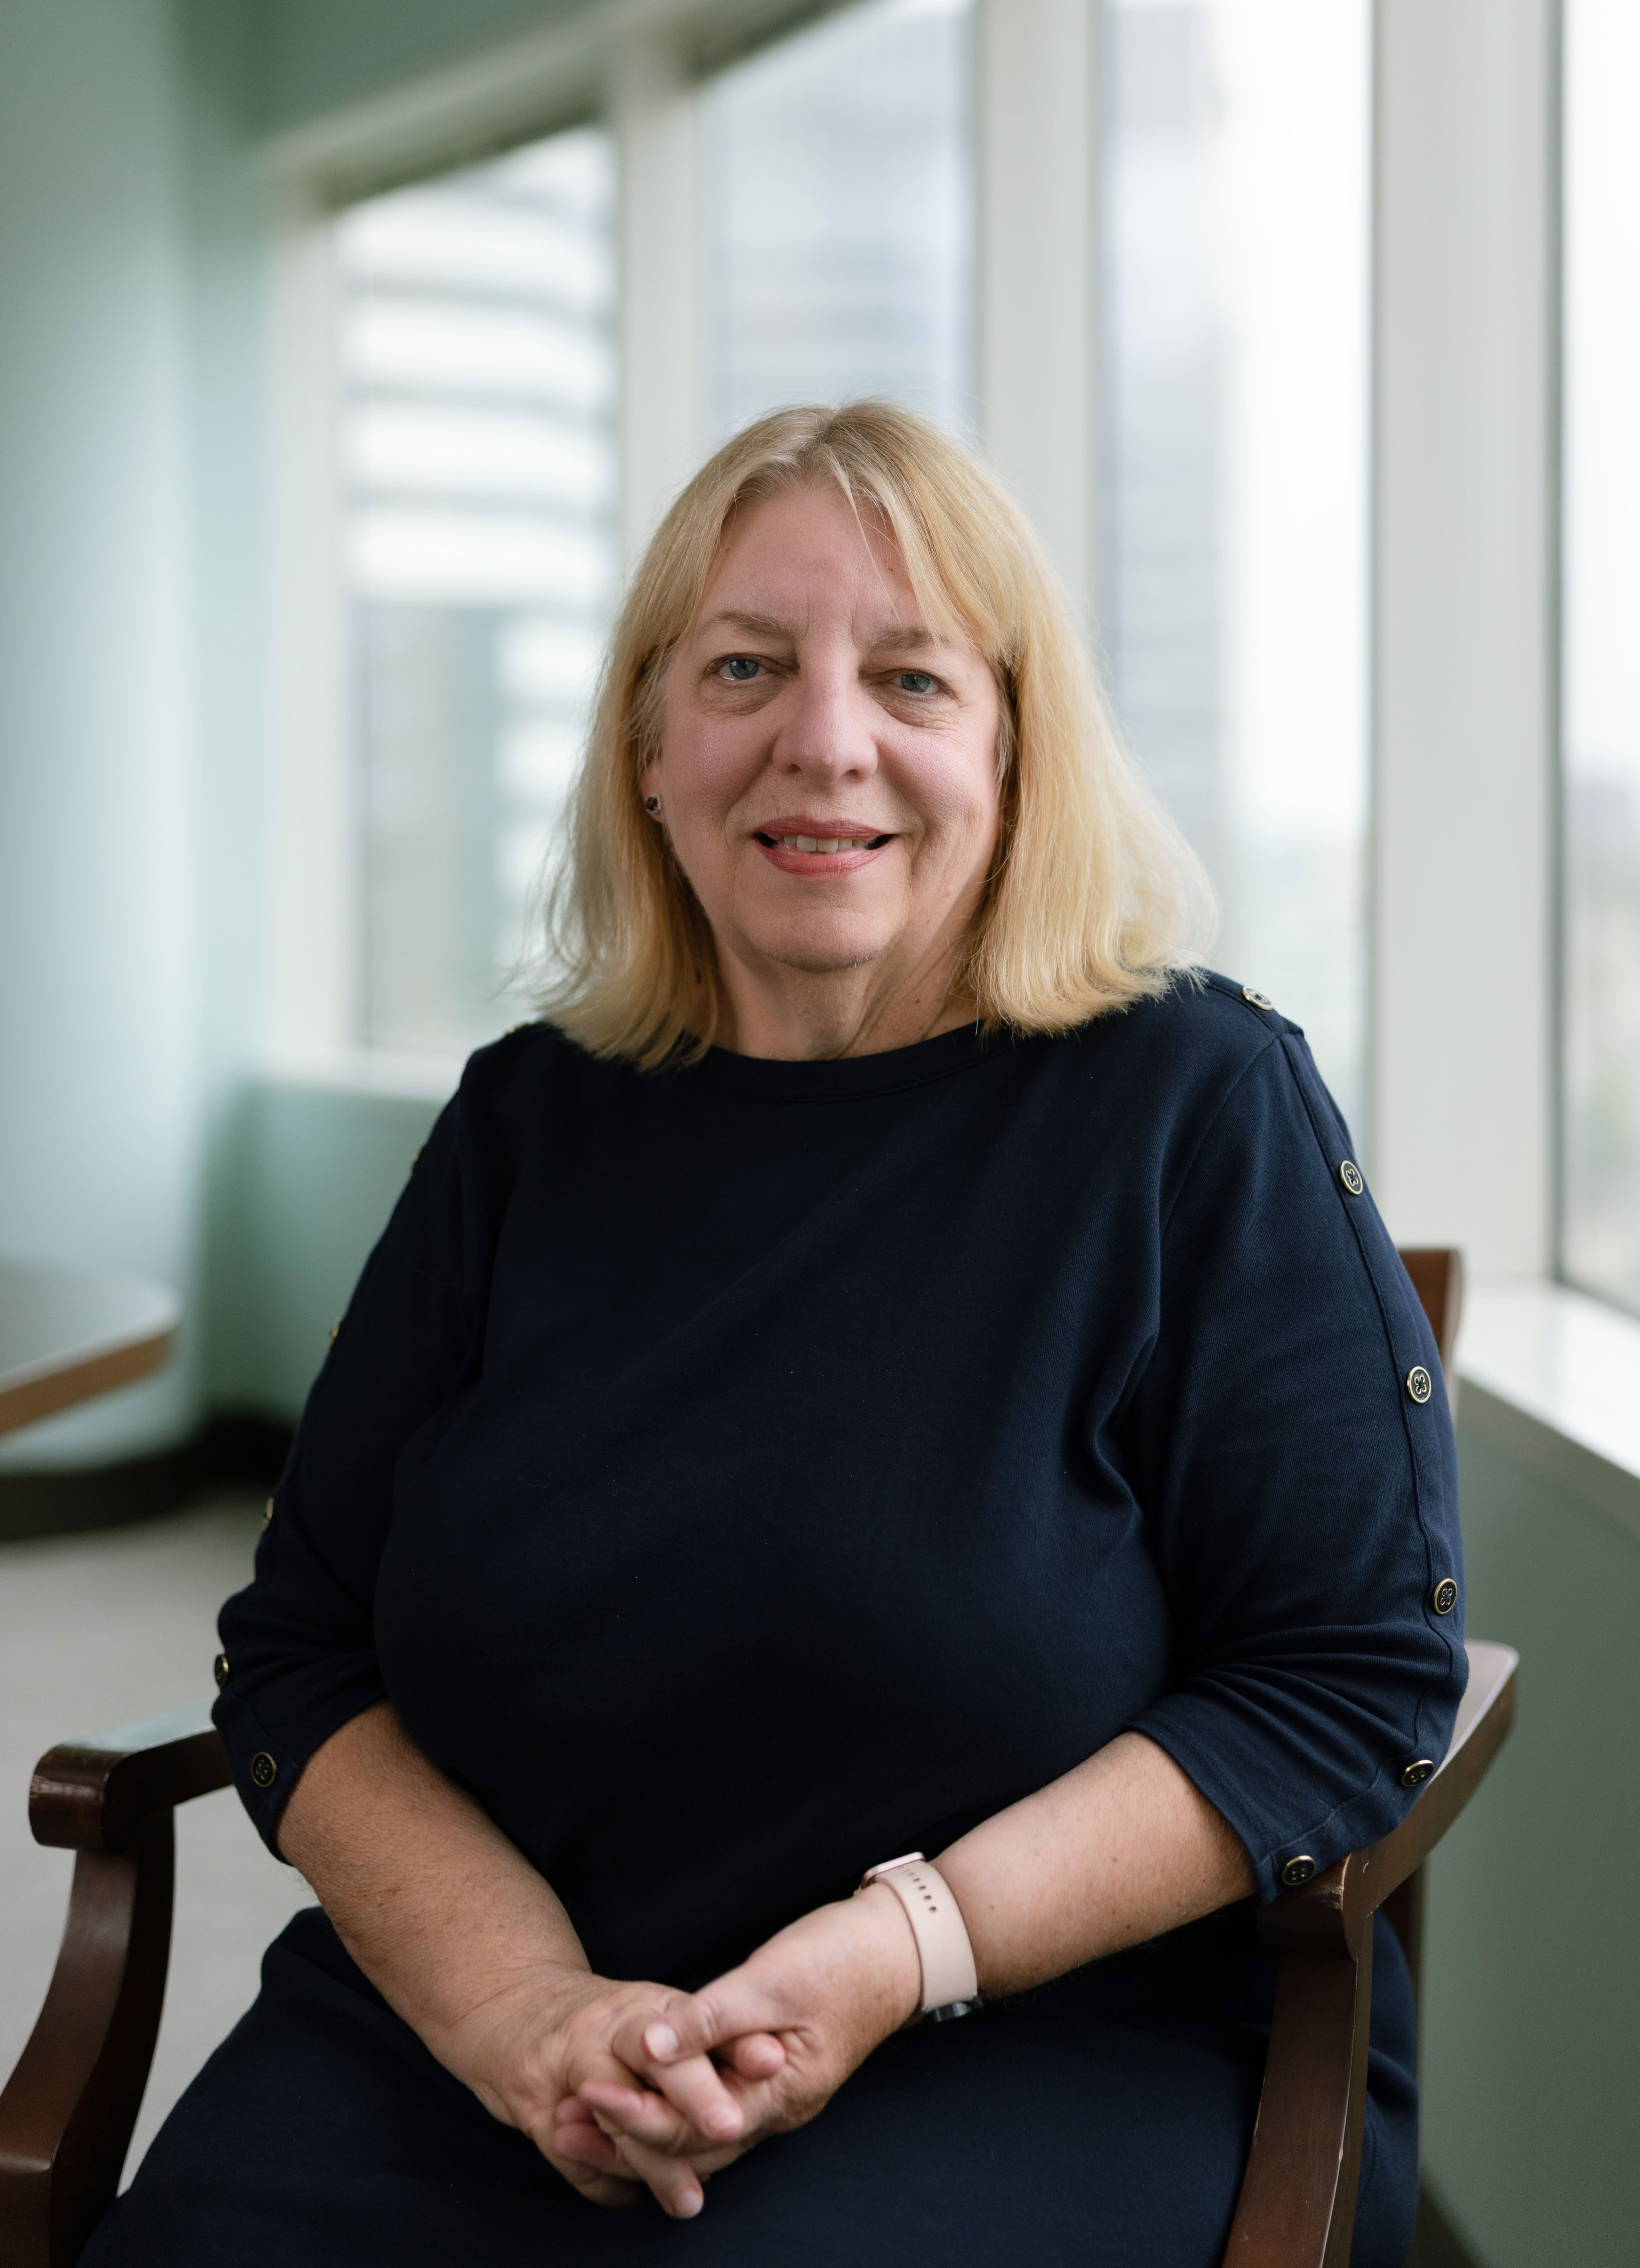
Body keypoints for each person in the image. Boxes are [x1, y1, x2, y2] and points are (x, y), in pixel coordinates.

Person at [87, 402, 1464, 2268]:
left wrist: (886, 1958)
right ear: (652, 745)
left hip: (1041, 2034)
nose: (825, 741)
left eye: (911, 676)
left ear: (1012, 749)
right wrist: (523, 2016)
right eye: (747, 666)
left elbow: (1346, 1676)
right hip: (496, 2030)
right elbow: (308, 1653)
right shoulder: (524, 1123)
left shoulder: (1194, 1104)